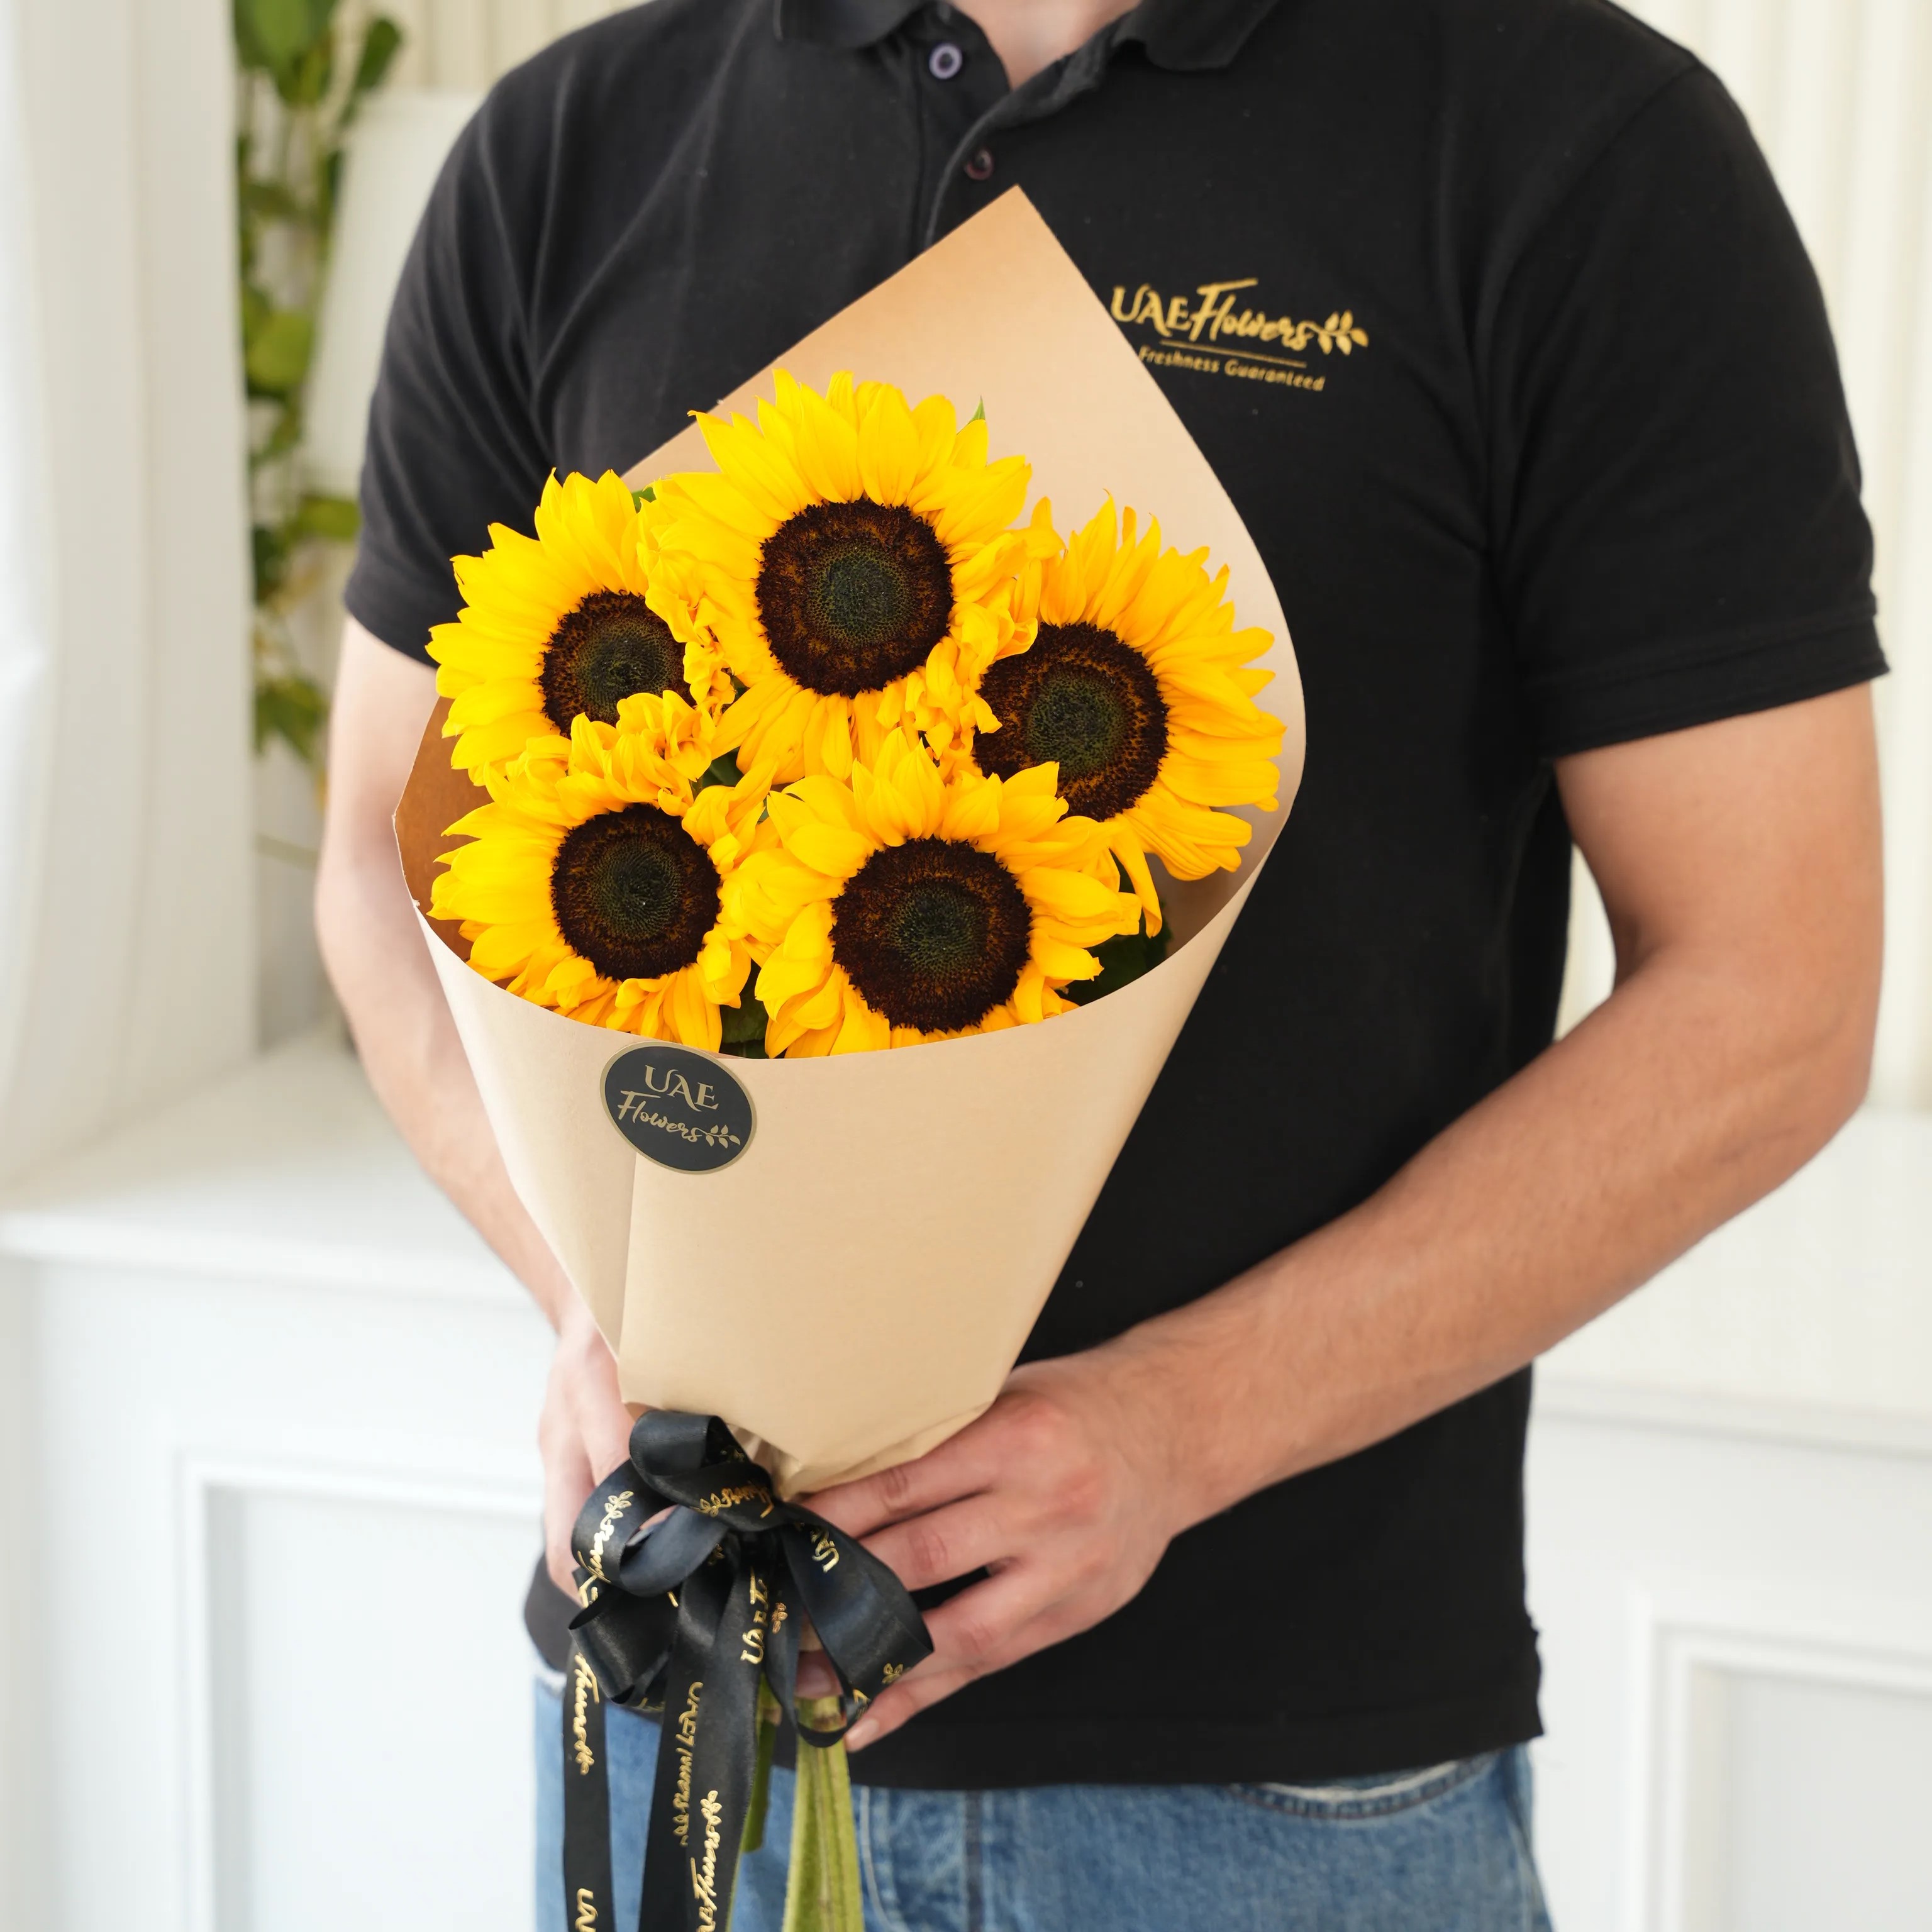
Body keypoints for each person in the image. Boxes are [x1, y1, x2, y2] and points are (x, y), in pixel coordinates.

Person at [314, 0, 1886, 1924]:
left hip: (1275, 1791)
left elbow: (1772, 994)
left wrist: (1177, 1425)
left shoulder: (1583, 150)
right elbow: (381, 868)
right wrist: (606, 1302)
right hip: (679, 1695)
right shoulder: (572, 145)